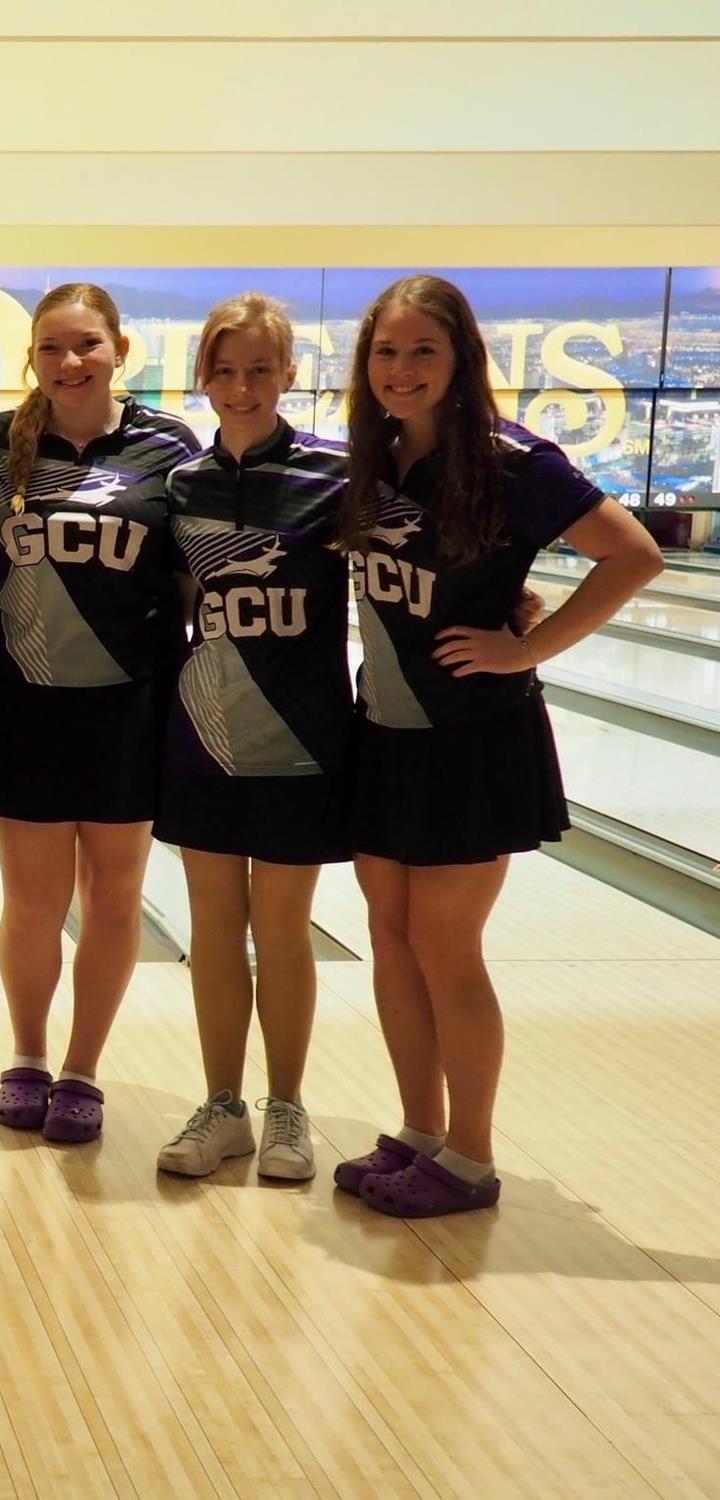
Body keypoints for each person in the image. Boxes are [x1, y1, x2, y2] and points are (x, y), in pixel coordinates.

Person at [336, 274, 662, 1217]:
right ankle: (419, 1132)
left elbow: (635, 554)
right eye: (386, 351)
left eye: (423, 351)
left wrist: (527, 646)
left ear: (462, 360)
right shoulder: (375, 458)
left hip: (473, 737)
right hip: (384, 729)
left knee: (445, 946)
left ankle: (472, 1159)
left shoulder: (512, 459)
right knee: (390, 940)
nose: (402, 369)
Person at [0, 283, 199, 1148]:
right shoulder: (0, 443)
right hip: (22, 695)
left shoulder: (167, 447)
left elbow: (191, 572)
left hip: (131, 698)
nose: (70, 362)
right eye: (52, 347)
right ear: (32, 355)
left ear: (119, 351)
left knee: (114, 895)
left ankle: (81, 1070)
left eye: (87, 345)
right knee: (32, 899)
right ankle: (28, 1057)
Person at [150, 293, 352, 1179]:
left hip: (303, 740)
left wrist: (507, 599)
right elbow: (177, 605)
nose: (241, 386)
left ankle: (288, 1109)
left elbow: (411, 561)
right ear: (204, 376)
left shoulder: (337, 477)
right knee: (213, 928)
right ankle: (223, 1105)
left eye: (259, 370)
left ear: (289, 374)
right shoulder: (183, 486)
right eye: (225, 370)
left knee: (282, 930)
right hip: (205, 735)